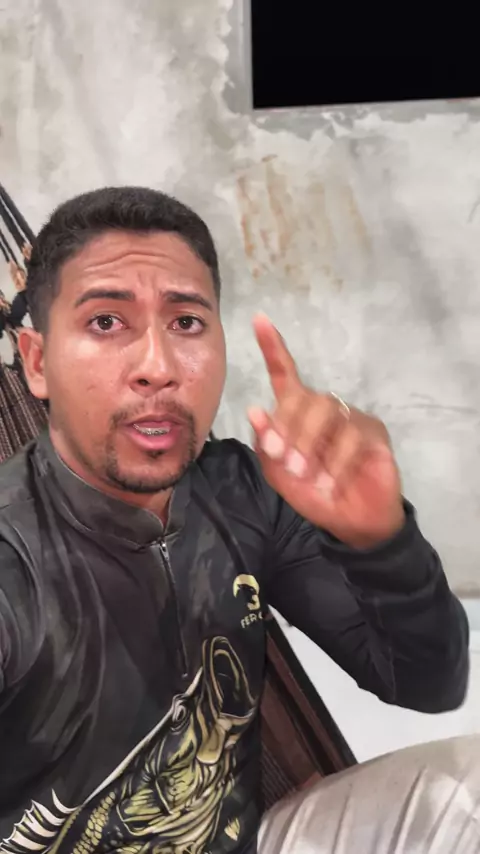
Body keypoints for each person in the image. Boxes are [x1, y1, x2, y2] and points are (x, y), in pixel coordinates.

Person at [0, 186, 471, 854]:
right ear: (37, 362)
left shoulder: (240, 490)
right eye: (106, 322)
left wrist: (381, 542)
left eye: (186, 323)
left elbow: (427, 683)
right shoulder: (13, 555)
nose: (158, 367)